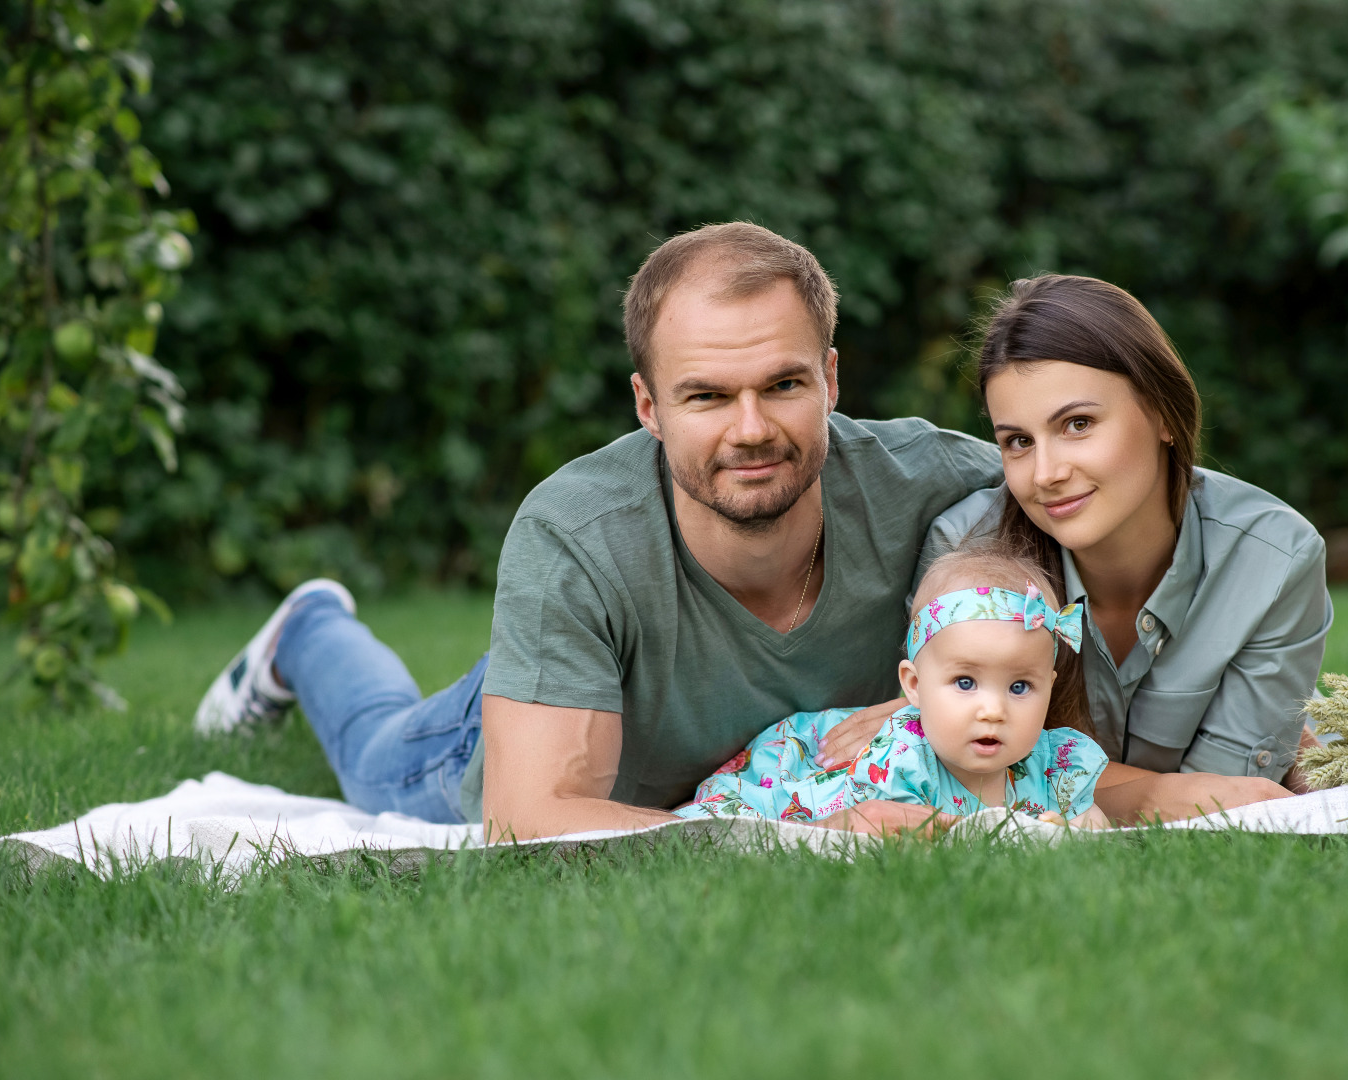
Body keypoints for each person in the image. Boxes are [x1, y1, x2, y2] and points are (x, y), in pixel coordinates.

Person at [194, 222, 1004, 837]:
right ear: (647, 407)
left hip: (732, 777)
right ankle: (305, 633)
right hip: (508, 730)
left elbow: (1087, 495)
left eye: (782, 383)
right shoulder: (576, 532)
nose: (751, 428)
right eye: (707, 397)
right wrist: (802, 843)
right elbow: (530, 817)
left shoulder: (925, 476)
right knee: (375, 750)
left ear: (829, 378)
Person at [816, 275, 1331, 822]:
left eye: (1078, 424)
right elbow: (958, 779)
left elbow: (1222, 807)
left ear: (1162, 413)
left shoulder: (1274, 560)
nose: (1046, 474)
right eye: (1018, 441)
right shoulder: (966, 550)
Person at [676, 544, 1109, 828]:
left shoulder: (1056, 765)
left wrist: (1077, 830)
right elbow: (911, 842)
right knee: (732, 829)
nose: (992, 710)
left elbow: (1095, 828)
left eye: (1019, 687)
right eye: (965, 682)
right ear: (914, 686)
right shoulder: (904, 761)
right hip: (804, 771)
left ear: (1049, 688)